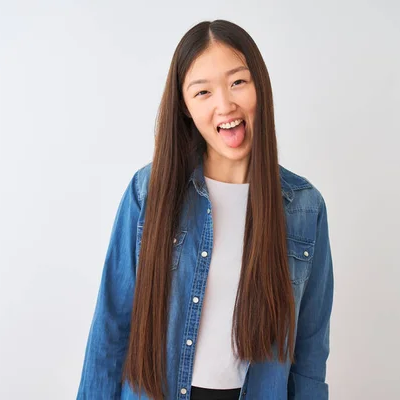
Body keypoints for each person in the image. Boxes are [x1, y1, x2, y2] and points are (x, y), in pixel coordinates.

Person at [76, 19, 334, 400]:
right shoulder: (148, 193)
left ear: (259, 85)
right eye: (203, 92)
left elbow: (310, 353)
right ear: (185, 107)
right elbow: (110, 333)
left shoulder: (304, 207)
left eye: (237, 82)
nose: (224, 105)